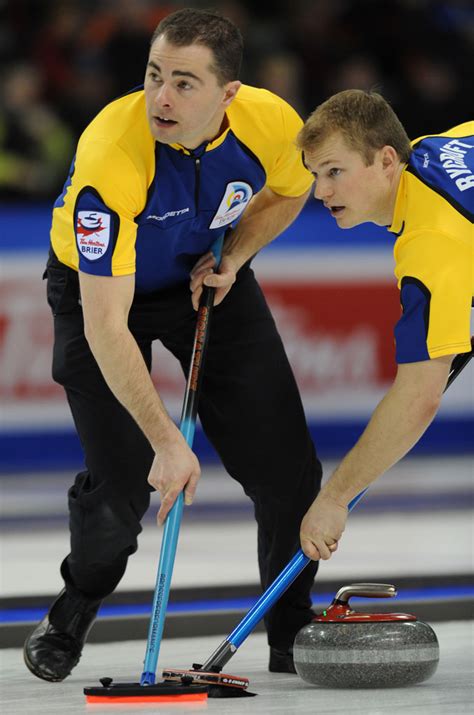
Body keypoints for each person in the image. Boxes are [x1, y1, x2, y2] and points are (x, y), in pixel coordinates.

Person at [23, 8, 322, 682]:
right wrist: (166, 441)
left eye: (185, 83)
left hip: (201, 275)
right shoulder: (111, 153)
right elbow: (105, 324)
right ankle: (76, 604)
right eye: (156, 75)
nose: (161, 97)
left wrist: (236, 256)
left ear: (228, 94)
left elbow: (291, 187)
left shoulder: (271, 121)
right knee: (120, 488)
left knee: (288, 469)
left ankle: (290, 627)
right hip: (99, 294)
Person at [296, 89, 473, 561]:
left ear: (387, 159)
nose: (321, 192)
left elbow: (418, 397)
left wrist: (334, 498)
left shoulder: (431, 243)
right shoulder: (439, 146)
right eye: (315, 175)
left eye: (335, 172)